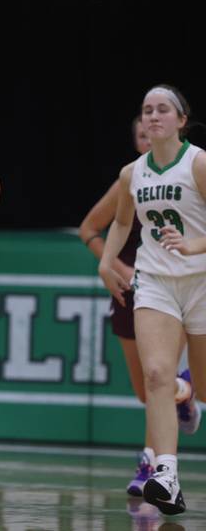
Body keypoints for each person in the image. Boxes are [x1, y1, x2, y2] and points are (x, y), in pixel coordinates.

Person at [99, 84, 206, 515]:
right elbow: (123, 223)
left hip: (201, 280)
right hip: (155, 282)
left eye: (163, 109)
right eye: (147, 110)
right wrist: (107, 262)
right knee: (156, 374)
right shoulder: (132, 173)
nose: (153, 116)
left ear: (181, 120)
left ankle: (189, 391)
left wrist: (195, 245)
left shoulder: (198, 163)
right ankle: (165, 473)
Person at [79, 117, 197, 497]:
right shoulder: (130, 179)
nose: (150, 136)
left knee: (158, 376)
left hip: (178, 283)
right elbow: (89, 230)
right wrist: (114, 264)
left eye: (155, 128)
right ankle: (184, 391)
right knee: (148, 389)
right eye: (142, 135)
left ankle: (151, 463)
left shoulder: (192, 170)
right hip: (132, 290)